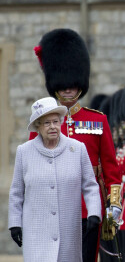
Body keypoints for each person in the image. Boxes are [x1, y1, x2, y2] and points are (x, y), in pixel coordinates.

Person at [32, 28, 122, 262]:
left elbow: (111, 168)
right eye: (63, 85)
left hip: (87, 208)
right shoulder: (43, 121)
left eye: (72, 84)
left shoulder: (98, 120)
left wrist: (114, 206)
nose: (68, 88)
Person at [8, 97, 101, 262]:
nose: (52, 127)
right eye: (47, 123)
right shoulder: (24, 152)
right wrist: (15, 223)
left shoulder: (77, 148)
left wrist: (94, 213)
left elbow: (90, 186)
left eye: (56, 121)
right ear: (38, 126)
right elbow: (16, 192)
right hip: (36, 232)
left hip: (68, 231)